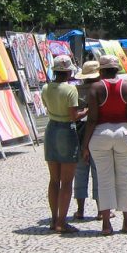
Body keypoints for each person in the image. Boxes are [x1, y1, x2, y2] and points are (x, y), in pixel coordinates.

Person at [82, 55, 127, 236]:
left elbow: (92, 119)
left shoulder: (96, 88)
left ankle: (106, 224)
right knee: (124, 178)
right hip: (124, 134)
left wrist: (85, 145)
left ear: (100, 70)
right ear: (117, 69)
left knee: (104, 179)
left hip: (101, 134)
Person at [42, 55, 88, 233]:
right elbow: (73, 116)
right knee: (67, 181)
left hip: (51, 129)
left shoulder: (46, 88)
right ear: (68, 72)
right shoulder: (70, 90)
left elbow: (47, 107)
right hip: (66, 131)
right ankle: (62, 221)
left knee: (54, 180)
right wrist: (87, 111)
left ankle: (54, 219)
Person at [73, 60, 101, 221]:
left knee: (80, 173)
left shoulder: (76, 91)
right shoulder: (100, 90)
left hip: (79, 136)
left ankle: (80, 210)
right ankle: (101, 210)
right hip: (97, 135)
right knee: (98, 174)